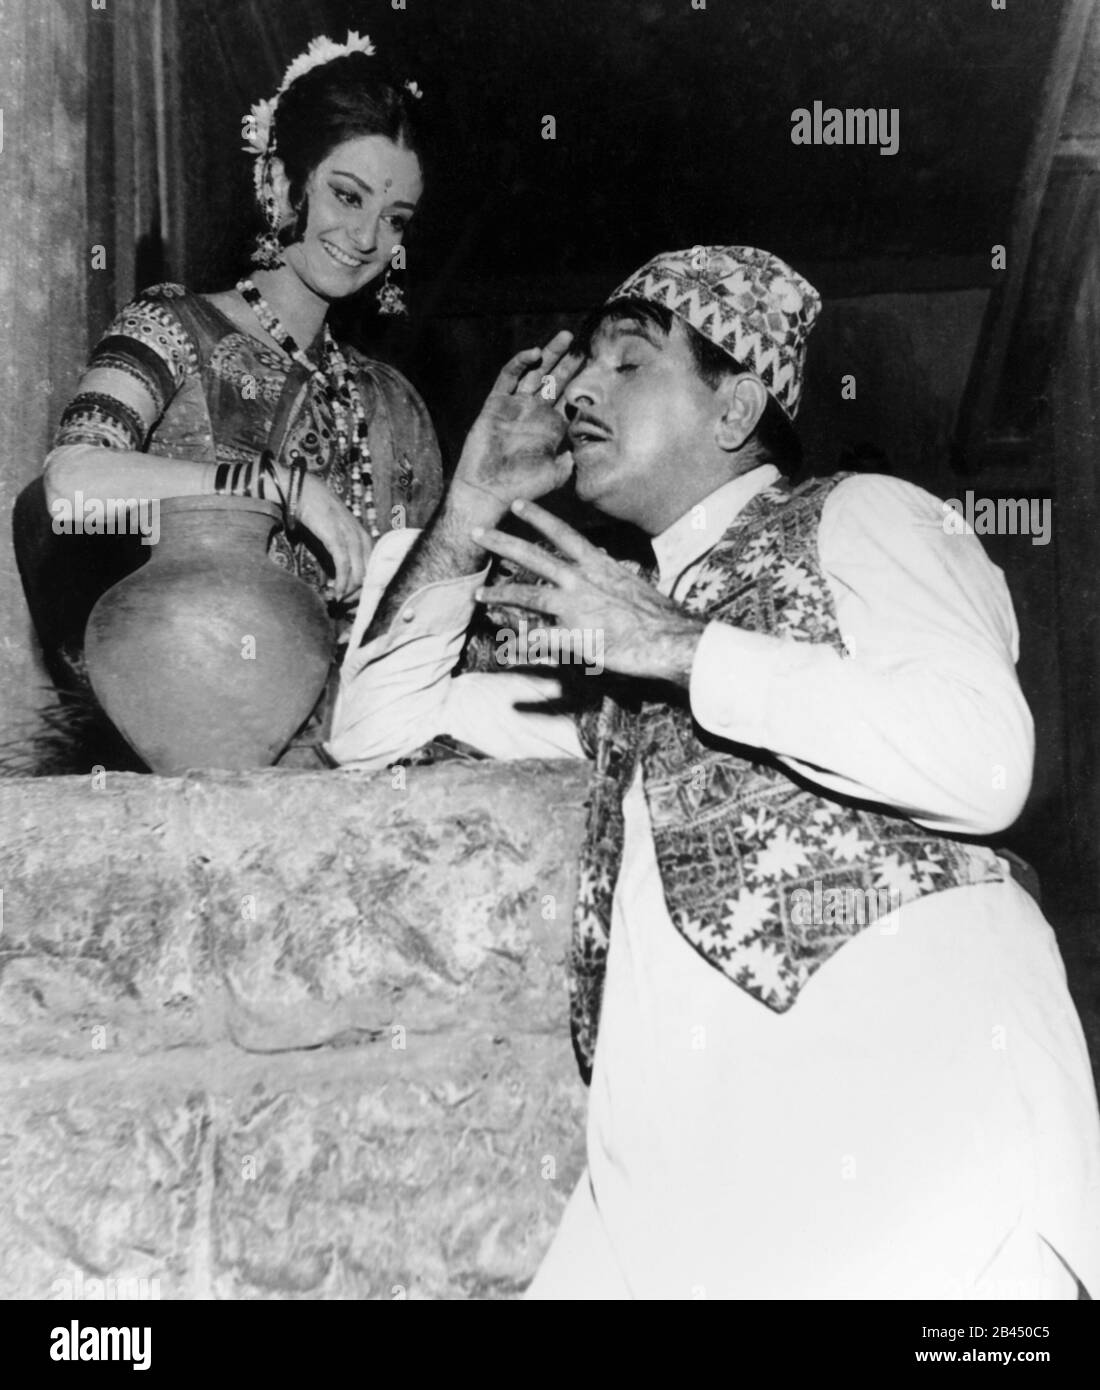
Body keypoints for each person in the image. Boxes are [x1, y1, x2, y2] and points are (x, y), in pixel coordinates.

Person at [325, 245, 1100, 1299]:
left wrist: (682, 648)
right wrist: (469, 511)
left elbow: (983, 757)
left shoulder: (862, 514)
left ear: (735, 405)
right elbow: (373, 728)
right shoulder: (615, 641)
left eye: (629, 362)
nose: (577, 390)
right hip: (683, 1183)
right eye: (579, 365)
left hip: (916, 1132)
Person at [38, 31, 442, 764]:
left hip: (358, 754)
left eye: (395, 220)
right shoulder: (173, 327)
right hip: (193, 736)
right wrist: (281, 489)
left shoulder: (395, 404)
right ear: (285, 181)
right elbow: (70, 488)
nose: (366, 236)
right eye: (346, 196)